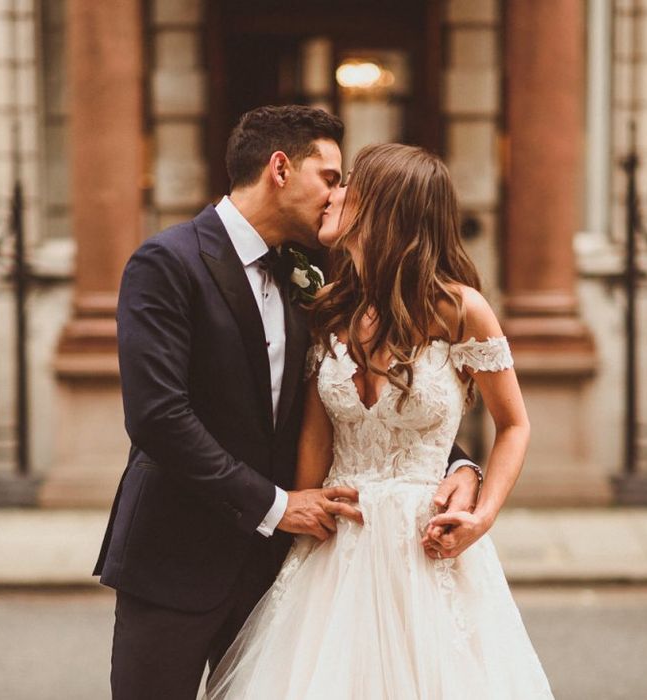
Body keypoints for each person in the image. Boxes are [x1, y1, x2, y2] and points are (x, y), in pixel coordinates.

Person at [93, 107, 480, 699]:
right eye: (329, 177)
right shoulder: (167, 263)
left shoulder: (316, 276)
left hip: (271, 574)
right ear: (280, 168)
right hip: (176, 559)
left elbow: (368, 393)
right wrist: (277, 505)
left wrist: (457, 466)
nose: (335, 197)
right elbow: (158, 417)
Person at [206, 143, 554, 699]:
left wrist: (482, 512)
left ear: (385, 207)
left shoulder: (460, 309)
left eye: (349, 185)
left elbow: (513, 424)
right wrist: (299, 507)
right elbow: (316, 442)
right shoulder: (329, 310)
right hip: (336, 551)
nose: (333, 194)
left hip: (425, 547)